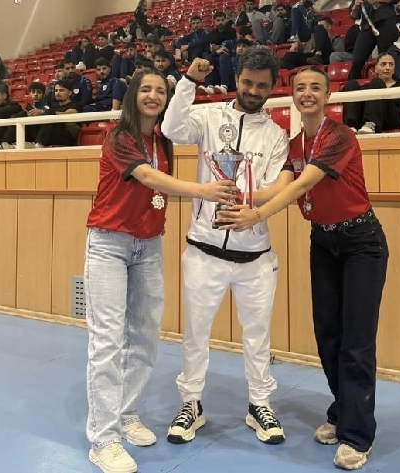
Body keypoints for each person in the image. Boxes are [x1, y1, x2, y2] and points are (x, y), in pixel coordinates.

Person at [217, 66, 389, 470]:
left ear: (328, 96)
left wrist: (255, 215)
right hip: (323, 242)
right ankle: (343, 411)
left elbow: (301, 186)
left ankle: (357, 434)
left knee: (356, 341)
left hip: (361, 242)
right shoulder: (295, 144)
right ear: (292, 95)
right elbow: (280, 186)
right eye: (300, 88)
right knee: (328, 335)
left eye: (315, 87)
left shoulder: (340, 137)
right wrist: (233, 193)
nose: (307, 93)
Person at [84, 68, 238, 473]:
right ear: (133, 95)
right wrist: (203, 191)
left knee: (145, 337)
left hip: (148, 245)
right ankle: (103, 439)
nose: (153, 96)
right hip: (109, 244)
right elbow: (148, 176)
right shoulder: (119, 137)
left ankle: (126, 414)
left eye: (160, 91)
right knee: (107, 341)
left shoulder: (162, 140)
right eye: (146, 89)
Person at [161, 49, 290, 445]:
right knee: (195, 333)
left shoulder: (276, 135)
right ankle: (191, 403)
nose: (253, 90)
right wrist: (189, 82)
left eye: (262, 85)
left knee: (258, 336)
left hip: (255, 256)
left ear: (271, 87)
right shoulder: (208, 117)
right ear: (237, 79)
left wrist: (248, 205)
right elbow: (171, 128)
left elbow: (274, 187)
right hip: (204, 250)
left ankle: (259, 404)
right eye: (247, 82)